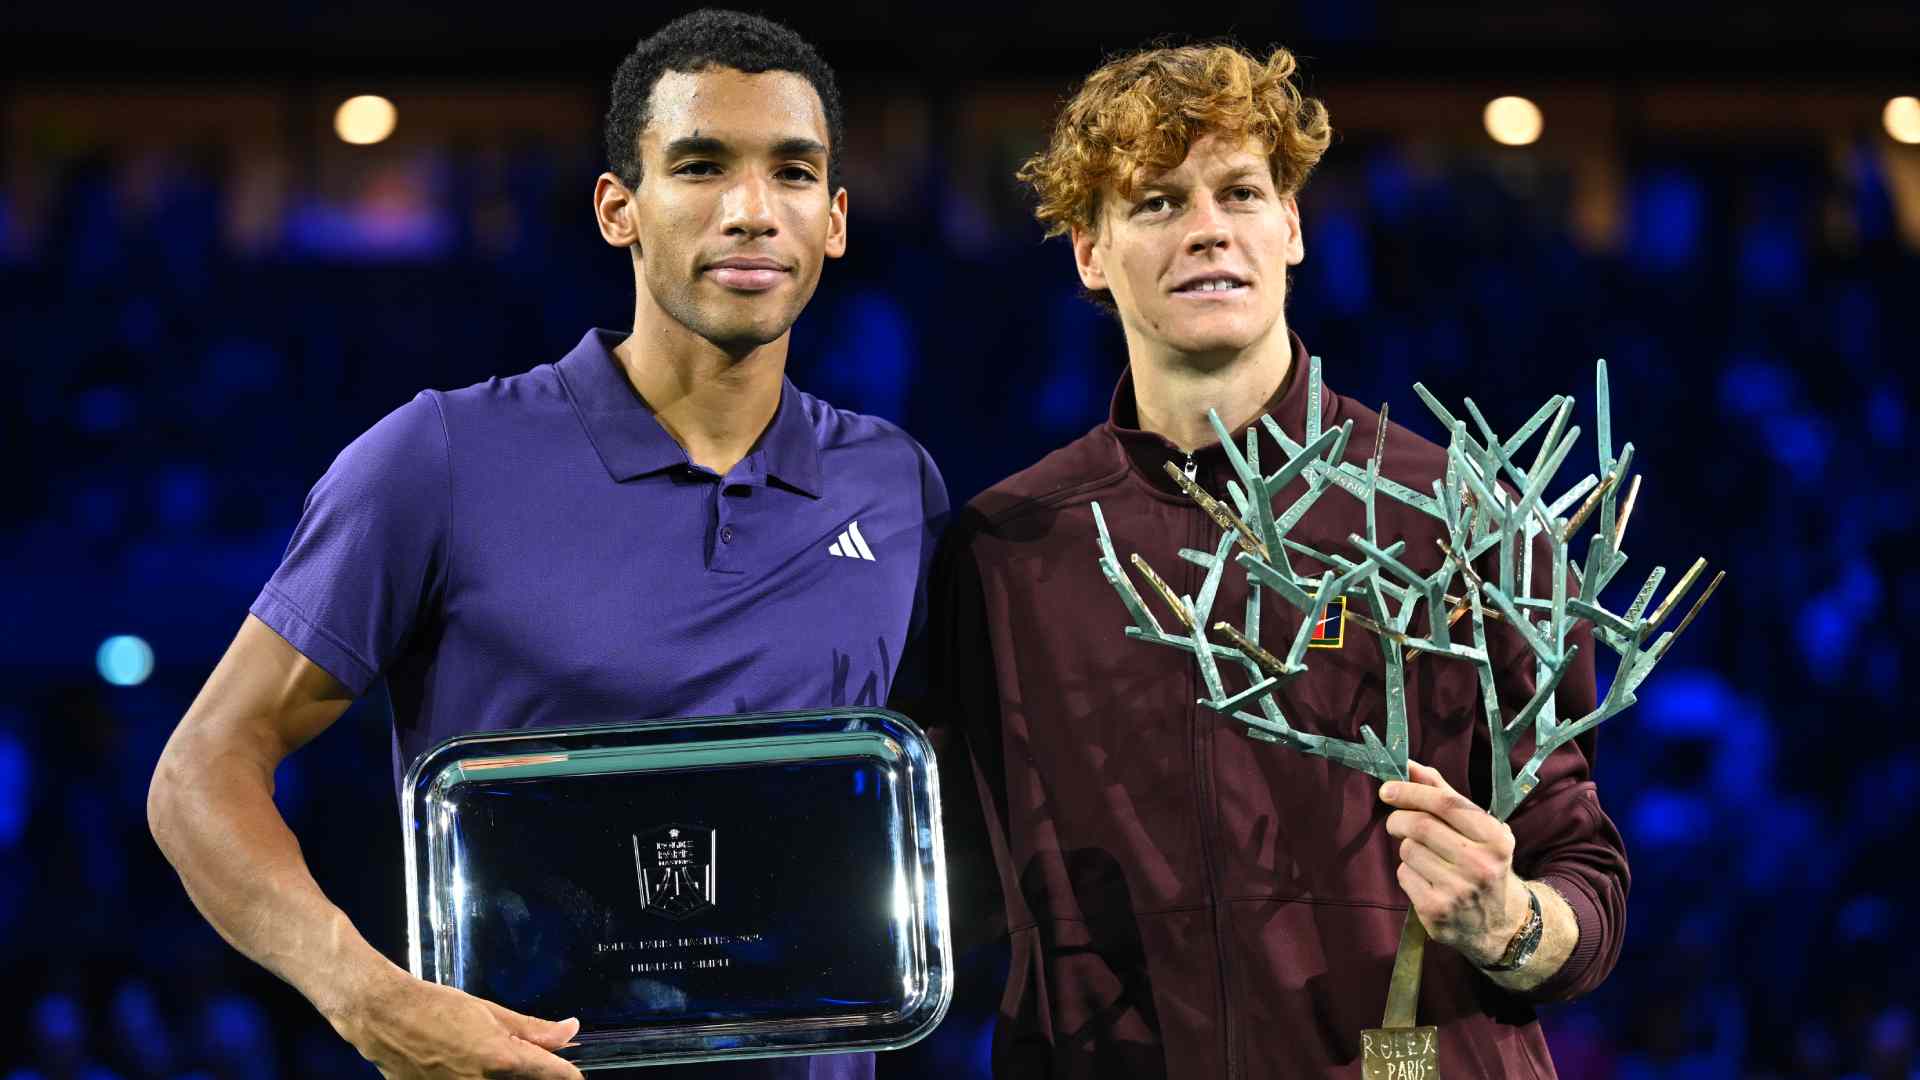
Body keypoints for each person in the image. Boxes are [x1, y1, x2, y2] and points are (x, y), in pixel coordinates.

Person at [146, 11, 945, 1080]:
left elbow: (938, 804)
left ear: (836, 219)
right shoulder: (438, 456)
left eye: (793, 174)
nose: (753, 211)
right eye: (701, 166)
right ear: (620, 208)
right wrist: (366, 996)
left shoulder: (895, 486)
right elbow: (201, 772)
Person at [922, 42, 1628, 1077]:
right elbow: (948, 889)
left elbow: (1582, 872)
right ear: (1087, 250)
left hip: (1411, 1064)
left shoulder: (1460, 518)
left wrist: (1510, 922)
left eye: (1241, 192)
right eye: (1157, 203)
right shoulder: (1009, 550)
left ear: (1291, 226)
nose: (1208, 228)